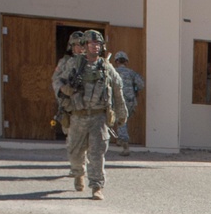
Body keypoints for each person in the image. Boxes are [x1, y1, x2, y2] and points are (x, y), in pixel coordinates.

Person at [54, 29, 128, 200]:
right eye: (91, 43)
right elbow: (57, 80)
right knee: (75, 151)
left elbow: (118, 89)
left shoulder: (106, 67)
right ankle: (79, 172)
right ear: (85, 46)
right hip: (77, 116)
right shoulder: (73, 64)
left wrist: (121, 113)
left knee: (97, 153)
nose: (95, 46)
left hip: (98, 117)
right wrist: (64, 89)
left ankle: (96, 186)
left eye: (98, 44)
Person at [50, 30, 86, 141]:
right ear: (71, 46)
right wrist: (62, 89)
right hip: (70, 106)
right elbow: (55, 79)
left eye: (83, 45)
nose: (80, 48)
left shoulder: (91, 62)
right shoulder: (65, 62)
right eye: (77, 45)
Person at [111, 51, 145, 157]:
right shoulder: (132, 73)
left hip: (117, 101)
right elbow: (141, 85)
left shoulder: (113, 72)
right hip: (130, 101)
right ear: (126, 62)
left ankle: (125, 146)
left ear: (116, 61)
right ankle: (120, 140)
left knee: (121, 122)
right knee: (123, 121)